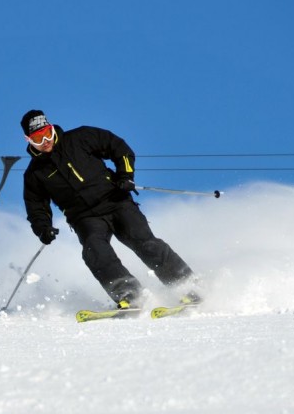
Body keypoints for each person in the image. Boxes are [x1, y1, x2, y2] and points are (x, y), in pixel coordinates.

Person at [20, 109, 200, 310]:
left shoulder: (80, 137)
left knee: (144, 241)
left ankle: (188, 286)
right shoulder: (34, 174)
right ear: (29, 140)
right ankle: (130, 294)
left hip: (116, 201)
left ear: (52, 128)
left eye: (47, 133)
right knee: (94, 251)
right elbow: (36, 207)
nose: (45, 140)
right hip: (85, 218)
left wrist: (126, 175)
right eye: (37, 137)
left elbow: (117, 146)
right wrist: (43, 228)